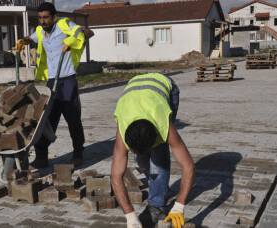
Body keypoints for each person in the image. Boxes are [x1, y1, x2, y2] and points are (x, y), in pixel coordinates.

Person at [111, 73, 195, 228]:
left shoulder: (163, 125)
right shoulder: (122, 131)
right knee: (142, 161)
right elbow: (116, 177)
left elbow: (189, 166)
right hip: (134, 87)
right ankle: (160, 185)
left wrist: (179, 206)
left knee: (158, 155)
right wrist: (130, 217)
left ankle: (157, 205)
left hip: (166, 87)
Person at [15, 2, 94, 168]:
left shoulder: (64, 25)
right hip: (52, 82)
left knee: (73, 118)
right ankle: (42, 157)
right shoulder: (41, 32)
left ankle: (78, 153)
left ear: (54, 17)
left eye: (46, 17)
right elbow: (32, 38)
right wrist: (22, 41)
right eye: (40, 18)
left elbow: (88, 32)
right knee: (45, 119)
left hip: (67, 81)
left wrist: (73, 40)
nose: (43, 21)